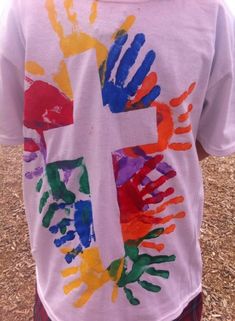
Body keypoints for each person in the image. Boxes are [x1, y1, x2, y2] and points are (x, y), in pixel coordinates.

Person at [0, 0, 234, 320]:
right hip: (63, 296)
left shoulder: (210, 14)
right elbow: (25, 132)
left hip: (168, 297)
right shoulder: (26, 11)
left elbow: (201, 141)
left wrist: (116, 159)